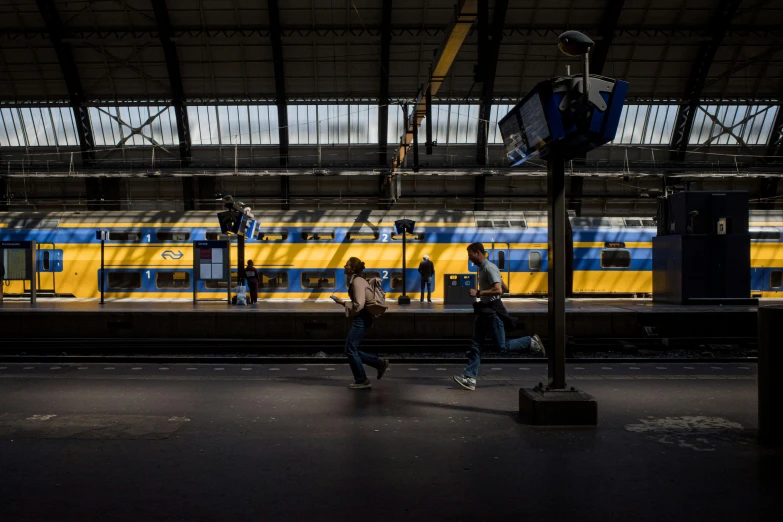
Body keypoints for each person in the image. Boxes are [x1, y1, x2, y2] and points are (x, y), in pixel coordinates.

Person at [453, 242, 546, 391]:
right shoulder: (486, 268)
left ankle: (530, 342)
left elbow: (498, 290)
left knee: (501, 347)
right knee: (475, 344)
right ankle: (469, 378)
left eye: (470, 255)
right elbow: (504, 287)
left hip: (492, 313)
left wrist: (479, 293)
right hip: (484, 312)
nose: (470, 259)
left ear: (477, 253)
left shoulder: (489, 268)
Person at [332, 257, 390, 389]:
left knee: (350, 349)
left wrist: (343, 303)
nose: (344, 266)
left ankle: (362, 379)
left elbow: (359, 305)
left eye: (346, 265)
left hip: (362, 318)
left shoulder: (357, 281)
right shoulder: (357, 280)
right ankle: (378, 363)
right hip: (363, 317)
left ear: (352, 268)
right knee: (351, 348)